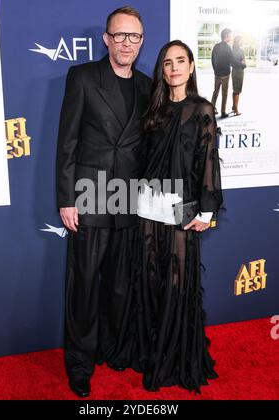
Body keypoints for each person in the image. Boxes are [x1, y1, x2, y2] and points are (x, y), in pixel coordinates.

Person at [56, 6, 151, 398]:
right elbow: (67, 142)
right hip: (90, 194)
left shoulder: (148, 86)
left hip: (129, 197)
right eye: (120, 35)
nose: (126, 43)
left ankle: (112, 348)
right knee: (84, 285)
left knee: (118, 285)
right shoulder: (82, 77)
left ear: (141, 42)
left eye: (134, 36)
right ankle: (80, 361)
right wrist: (66, 198)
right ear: (106, 39)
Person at [129, 40, 223, 393]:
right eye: (167, 63)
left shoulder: (202, 109)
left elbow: (208, 159)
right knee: (151, 279)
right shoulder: (154, 109)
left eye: (180, 61)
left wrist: (207, 209)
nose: (174, 68)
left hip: (181, 210)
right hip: (147, 208)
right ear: (162, 70)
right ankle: (152, 351)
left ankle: (174, 358)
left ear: (191, 67)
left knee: (176, 282)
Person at [211, 28, 233, 118]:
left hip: (217, 74)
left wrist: (215, 70)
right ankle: (223, 112)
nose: (231, 37)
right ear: (226, 36)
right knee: (224, 93)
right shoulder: (228, 47)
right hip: (225, 75)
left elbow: (212, 59)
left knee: (215, 92)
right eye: (230, 35)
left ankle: (211, 109)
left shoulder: (216, 46)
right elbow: (231, 60)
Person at [231, 36, 246, 116]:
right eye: (241, 40)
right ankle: (236, 110)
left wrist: (242, 62)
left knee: (235, 89)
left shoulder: (232, 50)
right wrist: (242, 63)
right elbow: (243, 62)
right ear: (238, 41)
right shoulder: (240, 51)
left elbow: (233, 62)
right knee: (237, 90)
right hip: (239, 71)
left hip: (234, 71)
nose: (242, 42)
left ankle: (234, 106)